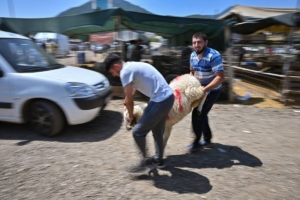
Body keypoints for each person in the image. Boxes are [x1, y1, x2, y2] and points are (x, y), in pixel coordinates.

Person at [104, 53, 175, 173]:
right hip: (168, 97)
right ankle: (159, 160)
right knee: (157, 131)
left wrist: (130, 116)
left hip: (161, 100)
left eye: (112, 72)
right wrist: (126, 103)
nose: (114, 75)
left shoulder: (124, 72)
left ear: (116, 66)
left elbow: (130, 99)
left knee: (138, 132)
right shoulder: (132, 66)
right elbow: (131, 93)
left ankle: (146, 163)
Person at [187, 32, 225, 151]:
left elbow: (220, 77)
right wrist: (191, 82)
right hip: (200, 89)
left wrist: (205, 90)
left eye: (199, 42)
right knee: (202, 114)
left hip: (212, 90)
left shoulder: (214, 56)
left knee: (197, 115)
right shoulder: (193, 55)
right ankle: (207, 139)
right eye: (194, 42)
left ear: (206, 42)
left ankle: (196, 143)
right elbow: (192, 71)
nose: (196, 45)